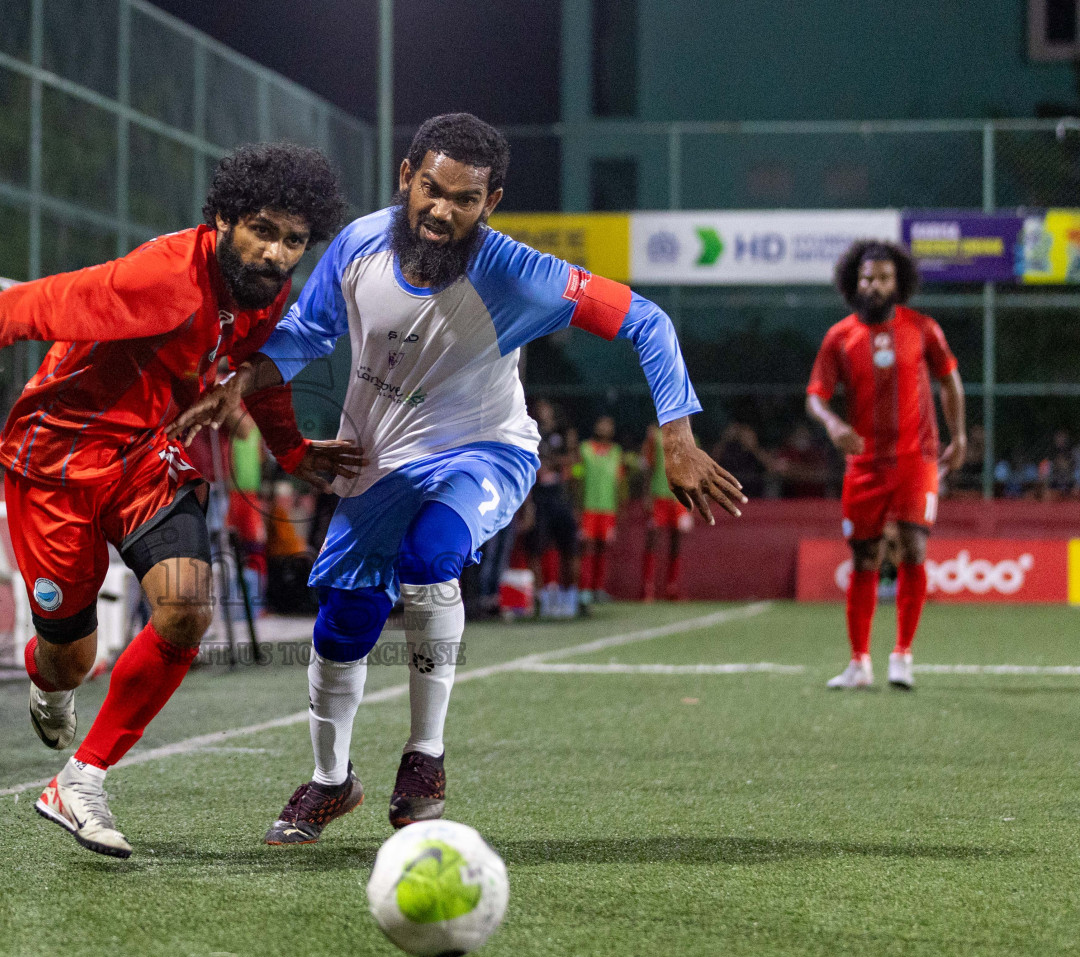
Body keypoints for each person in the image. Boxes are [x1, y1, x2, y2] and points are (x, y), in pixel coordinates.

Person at [170, 113, 744, 846]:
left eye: (465, 199)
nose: (442, 211)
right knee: (343, 622)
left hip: (484, 449)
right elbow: (307, 335)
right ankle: (330, 779)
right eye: (432, 190)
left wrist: (678, 435)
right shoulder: (357, 244)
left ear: (490, 201)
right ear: (407, 177)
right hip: (375, 456)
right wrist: (241, 380)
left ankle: (425, 758)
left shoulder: (518, 273)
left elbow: (648, 321)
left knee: (430, 557)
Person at [0, 143, 352, 858]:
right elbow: (22, 308)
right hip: (55, 469)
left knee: (185, 608)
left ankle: (81, 777)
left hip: (149, 460)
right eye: (262, 230)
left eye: (293, 240)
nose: (276, 252)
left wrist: (295, 453)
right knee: (69, 659)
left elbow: (256, 376)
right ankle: (48, 681)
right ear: (223, 219)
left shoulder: (266, 298)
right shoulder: (162, 280)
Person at [807, 239, 966, 691]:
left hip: (917, 458)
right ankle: (859, 663)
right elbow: (815, 396)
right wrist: (833, 425)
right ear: (853, 282)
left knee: (915, 548)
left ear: (898, 283)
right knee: (864, 556)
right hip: (864, 465)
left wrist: (960, 437)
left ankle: (902, 655)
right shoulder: (840, 336)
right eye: (866, 278)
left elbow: (950, 382)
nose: (873, 285)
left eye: (882, 278)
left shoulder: (923, 328)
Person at [519, 398, 580, 618]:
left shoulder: (564, 433)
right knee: (535, 549)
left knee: (570, 549)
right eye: (539, 408)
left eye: (547, 407)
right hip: (539, 497)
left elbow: (573, 461)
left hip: (560, 496)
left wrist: (552, 463)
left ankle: (569, 598)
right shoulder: (530, 433)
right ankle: (543, 599)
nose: (543, 411)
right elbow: (528, 465)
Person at [574, 415, 625, 604]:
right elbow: (577, 477)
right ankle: (584, 588)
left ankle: (598, 588)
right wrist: (577, 506)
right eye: (602, 424)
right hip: (588, 507)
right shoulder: (585, 449)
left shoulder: (616, 452)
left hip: (608, 509)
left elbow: (619, 482)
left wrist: (620, 507)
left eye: (609, 425)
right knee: (586, 548)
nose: (605, 428)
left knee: (603, 549)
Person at [640, 423, 693, 601]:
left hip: (678, 497)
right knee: (652, 538)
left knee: (676, 541)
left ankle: (672, 587)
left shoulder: (690, 437)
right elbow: (648, 465)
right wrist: (646, 493)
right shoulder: (655, 435)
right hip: (659, 495)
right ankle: (647, 587)